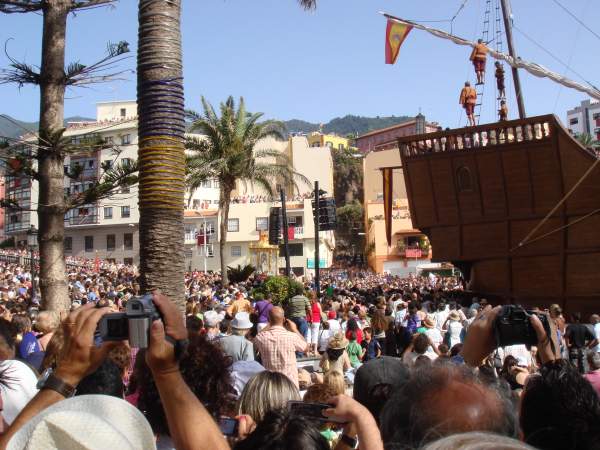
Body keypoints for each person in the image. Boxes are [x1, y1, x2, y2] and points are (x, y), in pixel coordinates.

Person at [253, 307, 308, 388]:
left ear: (268, 319)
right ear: (284, 319)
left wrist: (269, 324)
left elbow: (253, 340)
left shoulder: (261, 337)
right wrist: (295, 329)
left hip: (271, 385)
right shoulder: (292, 336)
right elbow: (306, 347)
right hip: (290, 384)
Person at [306, 292, 323, 356]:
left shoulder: (307, 303)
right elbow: (321, 313)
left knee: (308, 336)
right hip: (316, 321)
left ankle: (308, 351)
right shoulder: (318, 304)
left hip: (308, 320)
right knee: (315, 336)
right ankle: (315, 351)